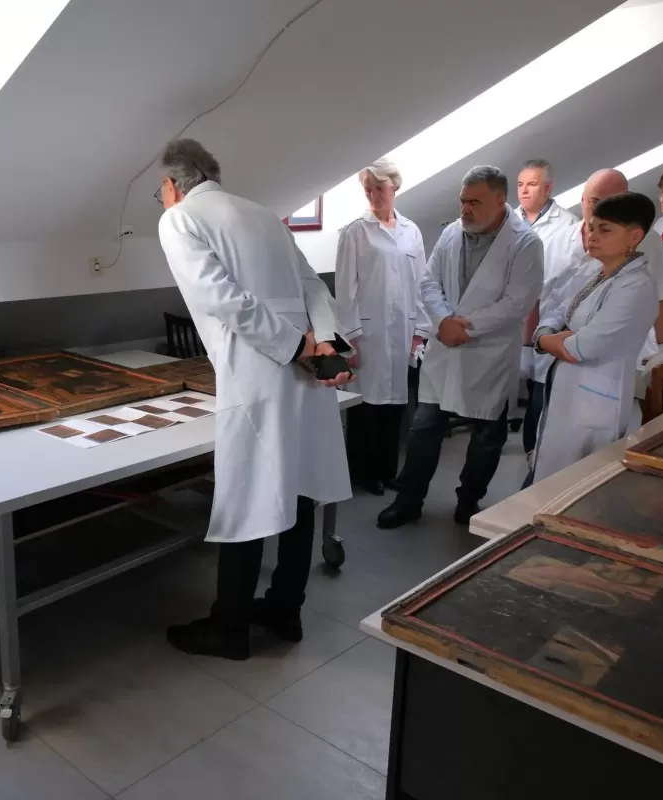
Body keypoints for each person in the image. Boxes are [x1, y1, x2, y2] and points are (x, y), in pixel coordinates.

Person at [155, 139, 352, 661]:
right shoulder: (263, 214)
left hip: (258, 373)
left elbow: (223, 300)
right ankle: (286, 611)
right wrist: (322, 343)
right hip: (301, 372)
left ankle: (230, 628)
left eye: (161, 190)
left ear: (172, 184)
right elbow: (314, 287)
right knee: (299, 488)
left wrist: (296, 347)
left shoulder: (179, 219)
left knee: (247, 493)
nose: (162, 198)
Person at [377, 166, 543, 529]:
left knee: (487, 435)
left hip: (489, 353)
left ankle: (469, 500)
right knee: (424, 428)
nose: (465, 209)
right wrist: (442, 322)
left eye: (474, 202)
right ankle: (408, 500)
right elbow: (429, 282)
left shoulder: (525, 243)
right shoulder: (452, 232)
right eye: (463, 201)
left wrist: (465, 328)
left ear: (500, 201)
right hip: (445, 348)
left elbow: (517, 302)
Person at [530, 193, 661, 482]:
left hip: (595, 403)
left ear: (635, 236)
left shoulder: (636, 287)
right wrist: (549, 335)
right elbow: (556, 312)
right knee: (547, 478)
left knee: (575, 485)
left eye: (605, 230)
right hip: (566, 391)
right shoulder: (593, 271)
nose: (592, 236)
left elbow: (582, 347)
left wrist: (544, 341)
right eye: (592, 227)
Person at [335, 158, 428, 495]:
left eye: (379, 188)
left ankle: (388, 471)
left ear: (394, 187)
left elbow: (422, 284)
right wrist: (351, 339)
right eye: (368, 189)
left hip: (403, 331)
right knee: (367, 405)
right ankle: (364, 473)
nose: (374, 195)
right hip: (368, 335)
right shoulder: (355, 232)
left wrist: (421, 331)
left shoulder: (411, 231)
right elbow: (345, 289)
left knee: (395, 404)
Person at [515, 159, 579, 464]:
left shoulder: (567, 225)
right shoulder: (505, 219)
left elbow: (565, 278)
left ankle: (533, 451)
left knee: (538, 392)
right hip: (505, 320)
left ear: (549, 188)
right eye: (520, 185)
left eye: (532, 184)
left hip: (545, 318)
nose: (524, 191)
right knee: (495, 395)